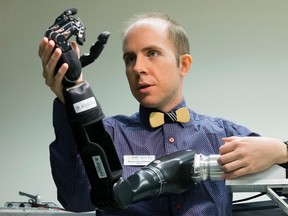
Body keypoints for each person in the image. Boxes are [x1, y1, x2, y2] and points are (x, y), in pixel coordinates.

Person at [38, 12, 288, 215]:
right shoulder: (106, 135)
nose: (138, 68)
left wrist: (281, 151)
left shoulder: (222, 134)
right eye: (129, 58)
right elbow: (77, 201)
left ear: (184, 64)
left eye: (152, 53)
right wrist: (70, 97)